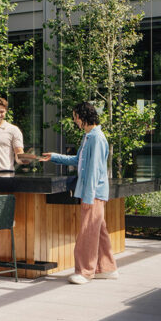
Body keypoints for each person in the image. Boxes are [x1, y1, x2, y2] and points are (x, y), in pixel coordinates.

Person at [40, 102, 118, 284]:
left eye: (75, 117)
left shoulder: (96, 138)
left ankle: (85, 272)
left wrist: (88, 196)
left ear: (83, 117)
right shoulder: (88, 137)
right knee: (98, 230)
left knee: (88, 232)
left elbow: (94, 170)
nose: (74, 120)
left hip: (93, 192)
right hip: (92, 192)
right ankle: (107, 268)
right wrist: (55, 157)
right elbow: (79, 160)